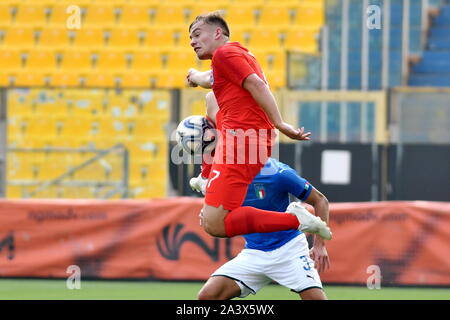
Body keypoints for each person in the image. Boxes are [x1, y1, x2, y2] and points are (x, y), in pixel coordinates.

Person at [187, 12, 332, 241]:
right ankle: (206, 176)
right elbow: (209, 80)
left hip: (242, 142)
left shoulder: (225, 54)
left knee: (214, 225)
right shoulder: (234, 55)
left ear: (217, 33)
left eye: (197, 34)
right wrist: (194, 75)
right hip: (247, 139)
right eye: (190, 39)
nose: (192, 42)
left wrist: (280, 122)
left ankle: (296, 219)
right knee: (211, 100)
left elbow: (256, 84)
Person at [195, 157, 330, 300]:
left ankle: (297, 220)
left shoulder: (278, 173)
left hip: (290, 250)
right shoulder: (225, 175)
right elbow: (221, 208)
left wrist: (319, 245)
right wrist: (209, 214)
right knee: (208, 296)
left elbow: (320, 200)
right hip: (254, 253)